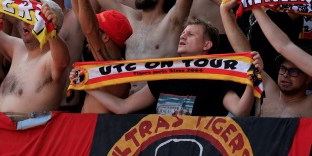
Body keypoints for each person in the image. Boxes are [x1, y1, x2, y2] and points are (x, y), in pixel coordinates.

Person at [82, 18, 256, 116]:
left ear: (207, 44)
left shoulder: (218, 77)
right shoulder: (165, 74)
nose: (183, 36)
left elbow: (240, 111)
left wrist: (251, 81)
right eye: (183, 33)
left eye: (191, 34)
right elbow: (123, 107)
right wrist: (86, 85)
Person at [0, 0, 71, 114]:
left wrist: (50, 30)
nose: (25, 22)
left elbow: (63, 61)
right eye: (25, 15)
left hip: (31, 130)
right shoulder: (18, 48)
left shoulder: (51, 60)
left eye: (33, 17)